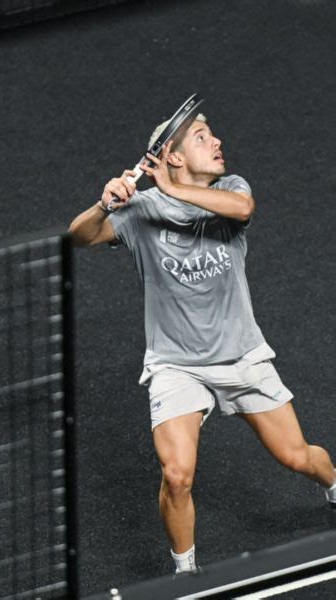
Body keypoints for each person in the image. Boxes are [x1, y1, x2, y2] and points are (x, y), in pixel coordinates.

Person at [68, 113, 336, 574]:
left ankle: (333, 483)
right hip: (176, 364)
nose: (216, 140)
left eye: (210, 133)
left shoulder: (230, 187)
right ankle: (186, 574)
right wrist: (104, 205)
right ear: (172, 156)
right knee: (176, 475)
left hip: (241, 356)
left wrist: (169, 189)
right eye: (201, 136)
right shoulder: (141, 210)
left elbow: (243, 210)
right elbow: (80, 237)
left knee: (297, 457)